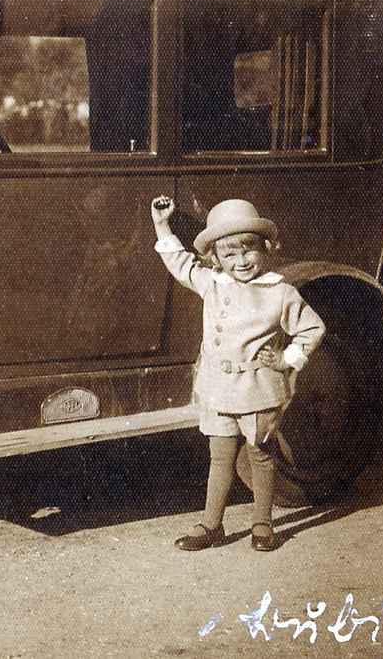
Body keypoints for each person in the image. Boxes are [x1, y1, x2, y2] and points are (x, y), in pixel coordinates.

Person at [150, 196, 325, 551]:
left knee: (260, 455)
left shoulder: (279, 292)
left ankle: (263, 525)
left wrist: (286, 358)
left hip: (257, 390)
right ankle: (211, 525)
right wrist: (162, 225)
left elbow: (313, 328)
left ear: (264, 248)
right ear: (215, 258)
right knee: (220, 457)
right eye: (229, 254)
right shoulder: (213, 284)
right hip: (218, 390)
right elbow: (180, 263)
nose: (241, 261)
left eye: (249, 250)